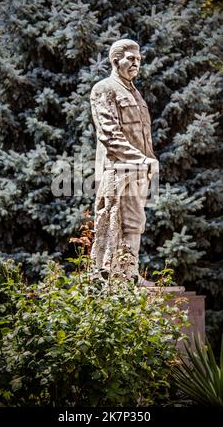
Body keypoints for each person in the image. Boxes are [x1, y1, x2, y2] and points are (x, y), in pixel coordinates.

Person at [90, 39, 159, 285]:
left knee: (134, 223)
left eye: (139, 60)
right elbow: (109, 133)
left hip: (138, 169)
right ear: (115, 60)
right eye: (131, 58)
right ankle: (105, 276)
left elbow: (143, 134)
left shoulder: (135, 94)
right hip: (115, 170)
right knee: (110, 223)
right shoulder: (104, 88)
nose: (136, 64)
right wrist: (140, 159)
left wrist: (148, 160)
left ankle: (129, 274)